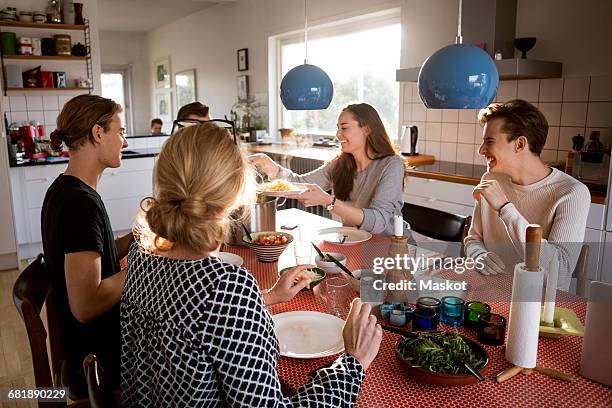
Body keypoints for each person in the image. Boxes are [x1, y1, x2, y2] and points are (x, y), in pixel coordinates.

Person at [120, 123, 382, 406]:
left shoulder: (140, 253)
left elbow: (195, 321)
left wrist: (266, 298)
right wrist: (352, 364)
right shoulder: (226, 287)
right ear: (235, 192)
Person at [42, 94, 132, 392]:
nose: (125, 142)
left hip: (88, 349)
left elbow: (98, 253)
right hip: (99, 363)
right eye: (120, 132)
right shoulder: (79, 205)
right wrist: (145, 267)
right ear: (97, 133)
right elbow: (85, 305)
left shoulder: (64, 189)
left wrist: (141, 238)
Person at [465, 99, 590, 290]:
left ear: (519, 144)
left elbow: (560, 273)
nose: (481, 150)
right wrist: (479, 255)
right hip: (489, 294)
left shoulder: (572, 193)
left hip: (536, 307)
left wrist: (505, 208)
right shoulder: (491, 178)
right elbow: (474, 239)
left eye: (489, 141)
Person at [250, 103, 406, 236]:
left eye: (344, 128)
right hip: (352, 240)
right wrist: (270, 167)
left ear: (367, 129)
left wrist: (328, 201)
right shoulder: (340, 164)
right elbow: (301, 184)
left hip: (389, 247)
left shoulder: (391, 165)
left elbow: (378, 222)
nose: (338, 135)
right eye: (338, 128)